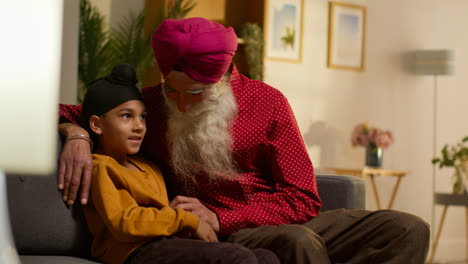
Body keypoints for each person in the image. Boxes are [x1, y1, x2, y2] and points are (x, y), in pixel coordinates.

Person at [59, 18, 430, 264]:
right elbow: (78, 112)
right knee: (298, 244)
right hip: (221, 239)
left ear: (223, 79)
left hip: (267, 219)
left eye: (197, 93)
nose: (182, 104)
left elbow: (303, 197)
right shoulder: (151, 105)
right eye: (173, 92)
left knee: (408, 228)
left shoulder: (268, 103)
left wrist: (223, 217)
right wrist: (74, 133)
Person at [77, 63, 280, 264]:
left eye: (143, 117)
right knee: (237, 257)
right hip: (133, 251)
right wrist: (189, 220)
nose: (139, 126)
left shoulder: (149, 167)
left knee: (266, 257)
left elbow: (163, 212)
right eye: (126, 116)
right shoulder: (100, 167)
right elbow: (125, 222)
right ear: (96, 124)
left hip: (167, 242)